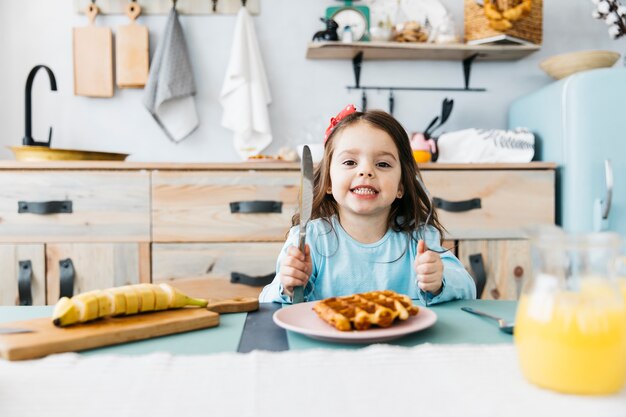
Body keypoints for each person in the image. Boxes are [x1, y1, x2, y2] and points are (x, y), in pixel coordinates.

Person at [259, 105, 476, 304]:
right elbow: (266, 301)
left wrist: (439, 282)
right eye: (350, 162)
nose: (365, 171)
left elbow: (468, 289)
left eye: (382, 164)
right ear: (328, 181)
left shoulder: (420, 239)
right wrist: (288, 286)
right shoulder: (308, 241)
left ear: (401, 185)